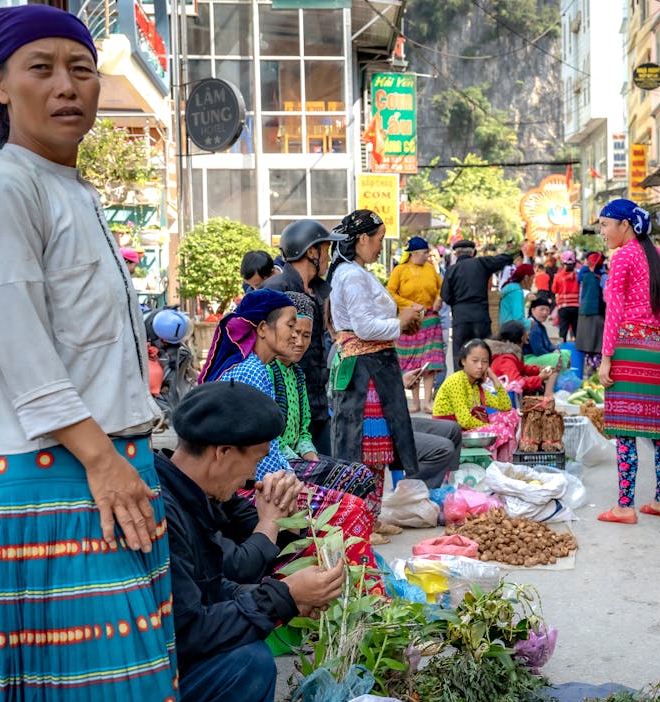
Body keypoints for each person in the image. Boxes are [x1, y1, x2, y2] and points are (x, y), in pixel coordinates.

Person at [0, 7, 180, 702]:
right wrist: (104, 462)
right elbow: (20, 353)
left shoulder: (69, 188)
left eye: (80, 69)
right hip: (62, 479)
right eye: (41, 68)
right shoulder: (4, 187)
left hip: (105, 469)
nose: (66, 87)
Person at [155, 381, 346, 702]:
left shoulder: (196, 490)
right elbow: (190, 629)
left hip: (175, 655)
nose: (251, 478)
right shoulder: (164, 510)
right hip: (155, 678)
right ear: (222, 452)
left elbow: (211, 585)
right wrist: (282, 596)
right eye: (255, 461)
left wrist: (284, 516)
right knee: (250, 662)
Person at [197, 290, 385, 551]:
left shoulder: (262, 369)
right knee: (351, 511)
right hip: (255, 486)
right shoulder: (251, 372)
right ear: (263, 329)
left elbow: (274, 446)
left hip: (270, 478)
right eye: (290, 326)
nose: (295, 335)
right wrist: (293, 488)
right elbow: (260, 457)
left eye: (302, 331)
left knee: (351, 506)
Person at [329, 211, 462, 496]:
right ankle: (364, 519)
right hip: (363, 373)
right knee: (364, 447)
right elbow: (364, 326)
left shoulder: (356, 272)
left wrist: (400, 324)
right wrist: (400, 323)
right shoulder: (351, 275)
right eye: (378, 239)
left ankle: (373, 516)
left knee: (376, 448)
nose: (380, 246)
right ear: (362, 239)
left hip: (374, 369)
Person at [594, 200, 660, 525]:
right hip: (658, 352)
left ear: (624, 224)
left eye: (605, 225)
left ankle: (625, 506)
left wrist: (606, 359)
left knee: (626, 433)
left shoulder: (623, 257)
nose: (603, 232)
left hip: (629, 350)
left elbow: (614, 312)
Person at [265, 220, 346, 455]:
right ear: (311, 251)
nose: (329, 258)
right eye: (326, 250)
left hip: (317, 404)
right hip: (284, 407)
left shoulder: (318, 290)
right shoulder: (275, 289)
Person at [433, 340, 520, 462]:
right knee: (500, 430)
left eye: (484, 362)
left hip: (464, 429)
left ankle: (502, 460)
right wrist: (491, 427)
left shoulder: (475, 385)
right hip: (450, 431)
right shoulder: (457, 381)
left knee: (511, 415)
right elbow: (465, 420)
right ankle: (494, 463)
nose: (480, 366)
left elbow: (505, 406)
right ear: (463, 361)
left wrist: (494, 378)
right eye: (475, 361)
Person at [387, 236, 445, 413]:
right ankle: (415, 402)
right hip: (410, 320)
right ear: (414, 253)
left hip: (430, 319)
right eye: (425, 252)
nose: (428, 255)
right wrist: (409, 304)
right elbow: (390, 292)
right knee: (411, 360)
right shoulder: (400, 270)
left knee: (430, 362)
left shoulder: (430, 269)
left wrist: (438, 299)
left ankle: (427, 401)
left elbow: (441, 287)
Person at [441, 239, 517, 368]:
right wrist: (512, 252)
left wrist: (458, 302)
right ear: (473, 252)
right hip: (480, 317)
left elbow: (446, 296)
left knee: (460, 355)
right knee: (483, 354)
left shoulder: (451, 270)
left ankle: (460, 384)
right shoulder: (482, 263)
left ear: (456, 254)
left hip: (461, 318)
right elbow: (504, 258)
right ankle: (482, 384)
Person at [489, 321, 558, 397]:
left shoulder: (509, 354)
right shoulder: (505, 359)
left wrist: (538, 369)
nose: (528, 335)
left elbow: (521, 367)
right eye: (526, 333)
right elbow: (516, 383)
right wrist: (539, 378)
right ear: (522, 337)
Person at [574, 250, 607, 373]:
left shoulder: (583, 276)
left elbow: (581, 295)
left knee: (588, 344)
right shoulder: (603, 277)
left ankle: (589, 369)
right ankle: (596, 370)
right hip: (597, 313)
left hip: (584, 313)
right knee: (597, 343)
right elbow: (606, 296)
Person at [522, 295, 568, 370]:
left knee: (565, 353)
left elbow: (548, 344)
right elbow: (538, 350)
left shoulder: (540, 326)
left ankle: (562, 378)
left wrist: (555, 350)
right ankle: (555, 380)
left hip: (539, 356)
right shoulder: (532, 325)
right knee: (557, 358)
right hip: (530, 358)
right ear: (533, 310)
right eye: (542, 309)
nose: (545, 313)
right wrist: (552, 353)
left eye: (547, 310)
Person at [553, 250, 580, 342]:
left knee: (562, 330)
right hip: (576, 306)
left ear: (562, 263)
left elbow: (554, 290)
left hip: (563, 306)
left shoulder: (558, 276)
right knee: (576, 330)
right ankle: (578, 349)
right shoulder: (578, 276)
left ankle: (560, 350)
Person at [498, 263, 535, 328]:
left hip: (504, 327)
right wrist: (531, 323)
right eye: (532, 278)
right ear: (526, 278)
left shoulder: (510, 288)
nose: (532, 282)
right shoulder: (517, 292)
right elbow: (519, 320)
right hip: (511, 331)